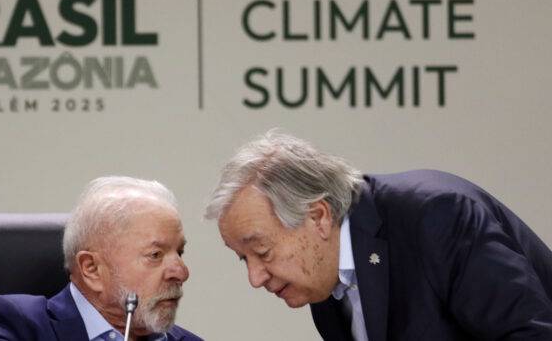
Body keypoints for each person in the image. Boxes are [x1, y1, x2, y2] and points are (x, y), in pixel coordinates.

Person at [204, 130, 552, 340]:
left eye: (262, 251)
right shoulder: (322, 278)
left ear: (318, 216)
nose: (255, 278)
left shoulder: (436, 217)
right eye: (243, 259)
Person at [0, 176, 202, 341]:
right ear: (91, 269)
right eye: (155, 255)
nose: (181, 272)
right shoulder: (18, 326)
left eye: (179, 252)